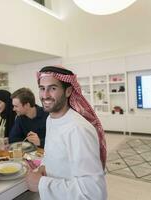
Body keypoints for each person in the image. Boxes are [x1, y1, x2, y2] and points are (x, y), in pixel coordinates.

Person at [25, 66, 107, 200]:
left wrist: (42, 183)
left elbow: (93, 193)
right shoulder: (51, 119)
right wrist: (44, 167)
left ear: (68, 91)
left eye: (53, 88)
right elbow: (54, 154)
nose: (45, 95)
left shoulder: (78, 129)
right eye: (42, 88)